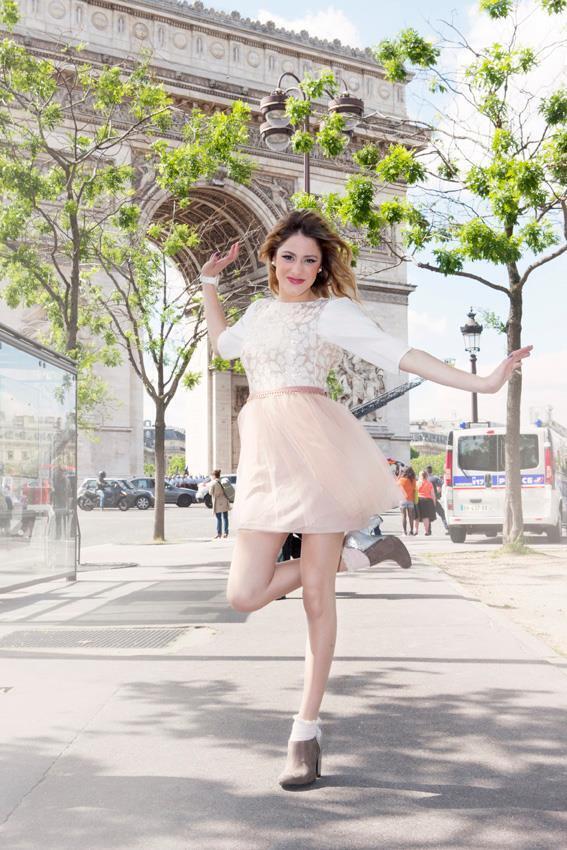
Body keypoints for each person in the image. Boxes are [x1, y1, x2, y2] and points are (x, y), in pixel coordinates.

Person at [199, 208, 532, 788]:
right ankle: (363, 555)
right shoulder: (256, 313)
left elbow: (398, 353)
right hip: (264, 461)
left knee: (317, 598)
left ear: (321, 266)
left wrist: (481, 382)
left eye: (310, 259)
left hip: (319, 453)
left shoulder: (333, 312)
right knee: (244, 594)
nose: (297, 268)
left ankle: (304, 733)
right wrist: (208, 282)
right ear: (271, 258)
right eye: (288, 256)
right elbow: (222, 344)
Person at [426, 464, 449, 532]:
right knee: (442, 513)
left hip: (426, 500)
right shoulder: (435, 478)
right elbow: (442, 485)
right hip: (434, 499)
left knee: (427, 515)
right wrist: (438, 493)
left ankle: (428, 530)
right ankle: (447, 527)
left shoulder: (424, 479)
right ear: (431, 470)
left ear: (426, 471)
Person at [209, 469, 230, 539]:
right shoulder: (223, 481)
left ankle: (219, 533)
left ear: (214, 475)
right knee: (225, 517)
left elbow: (210, 493)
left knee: (219, 518)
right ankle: (226, 533)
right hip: (225, 500)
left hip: (217, 502)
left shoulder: (213, 483)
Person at [416, 469, 436, 536]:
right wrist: (434, 503)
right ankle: (427, 531)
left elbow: (414, 493)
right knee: (426, 517)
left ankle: (416, 531)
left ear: (420, 476)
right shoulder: (429, 483)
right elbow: (433, 494)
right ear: (427, 476)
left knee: (417, 517)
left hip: (418, 500)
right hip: (427, 501)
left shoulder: (417, 483)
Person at [398, 466, 418, 535]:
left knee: (404, 516)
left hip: (402, 500)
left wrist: (399, 475)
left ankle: (404, 531)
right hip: (410, 500)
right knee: (411, 516)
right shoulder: (413, 480)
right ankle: (411, 531)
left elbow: (396, 485)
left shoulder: (401, 480)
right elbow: (415, 490)